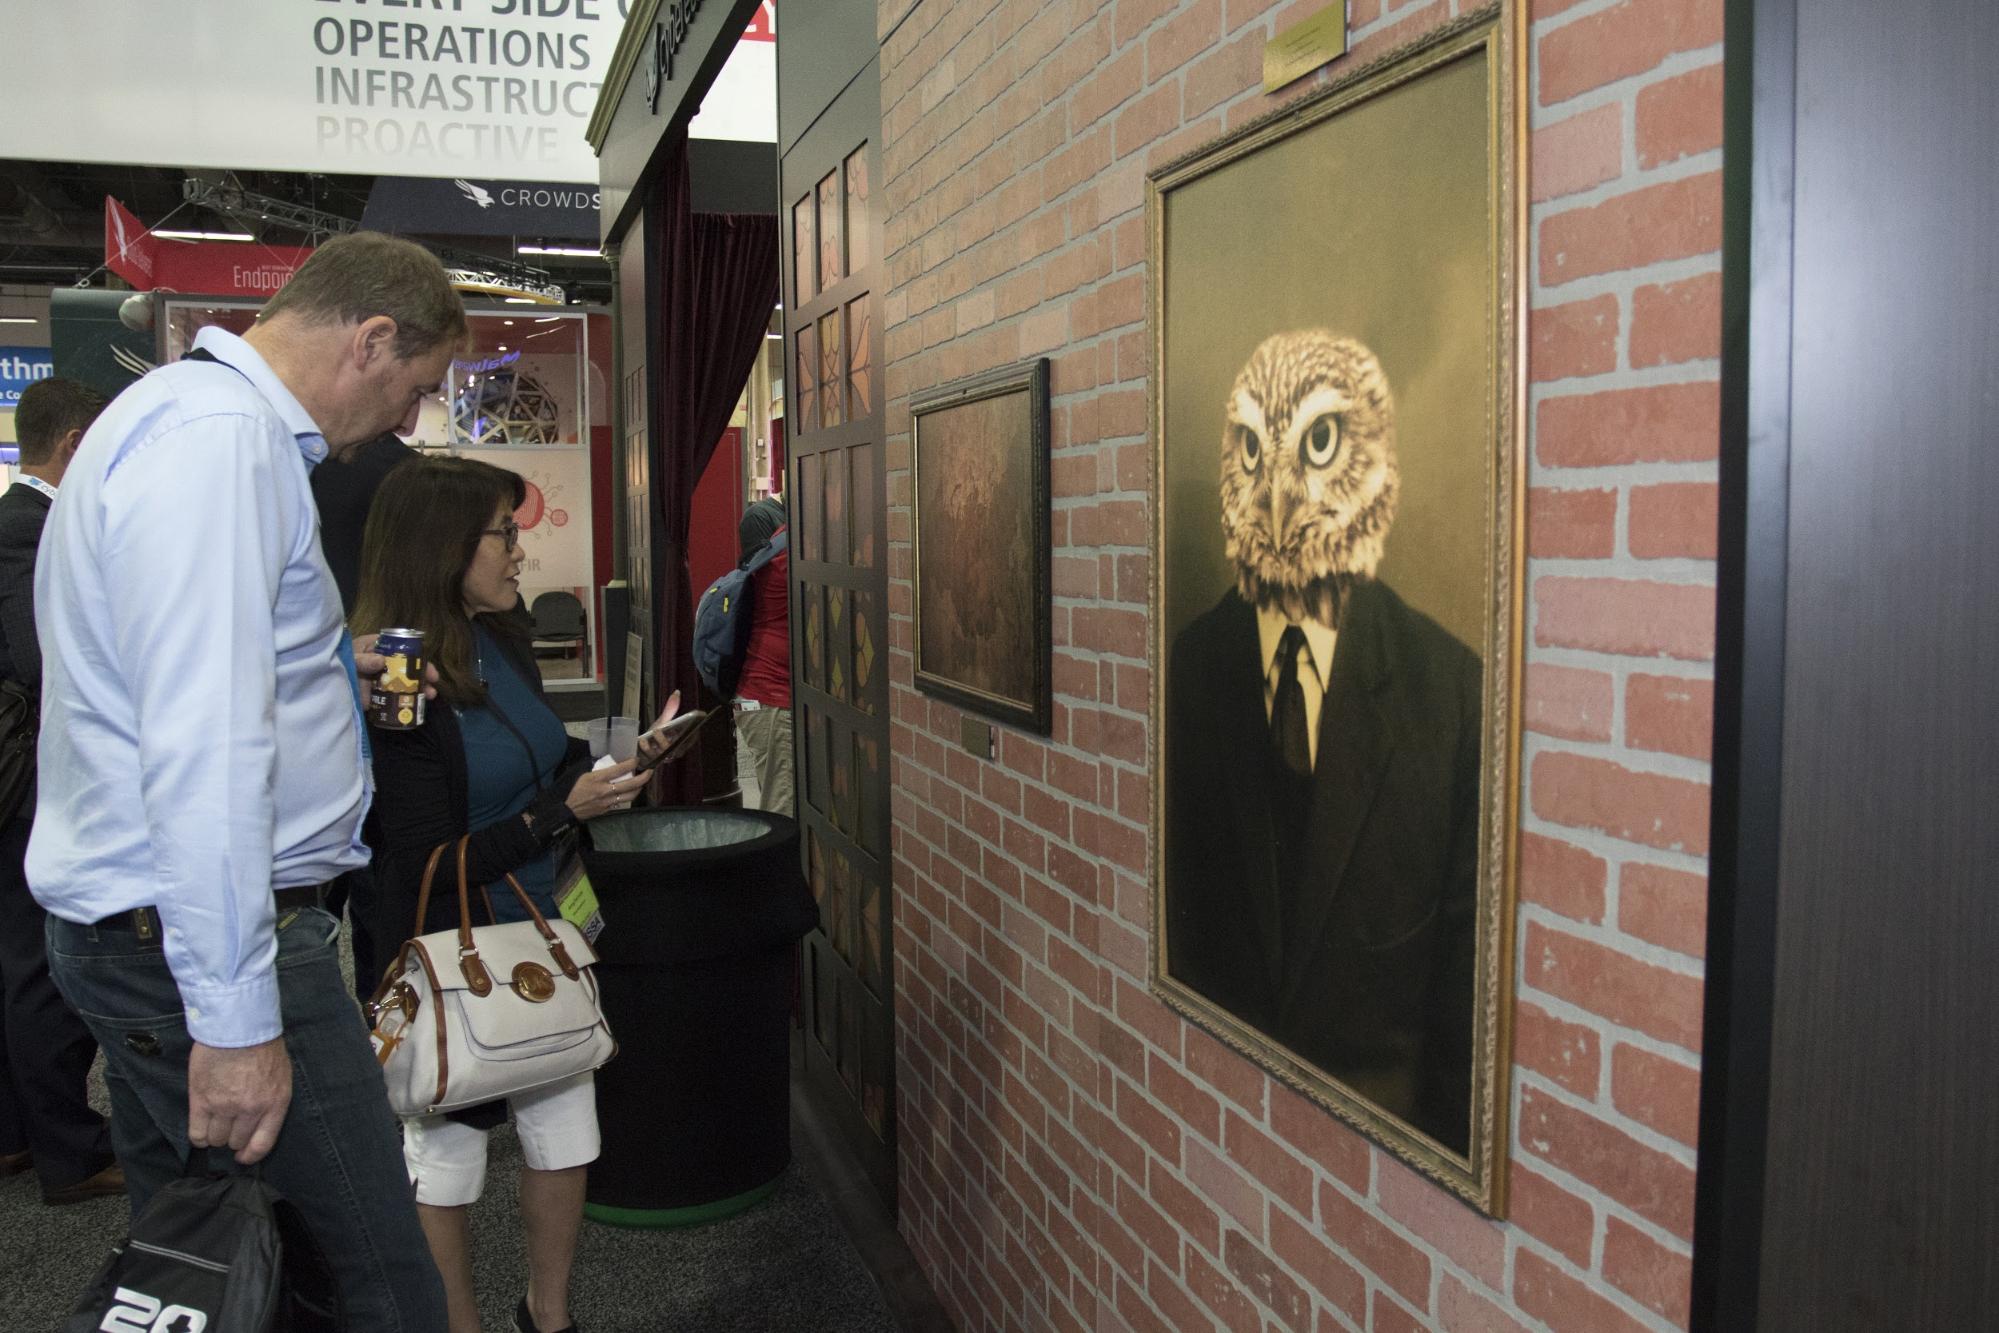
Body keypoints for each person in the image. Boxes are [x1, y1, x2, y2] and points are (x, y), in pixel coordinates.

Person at [30, 231, 464, 1328]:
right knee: (378, 1278)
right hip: (208, 945)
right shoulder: (220, 445)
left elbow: (187, 681)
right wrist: (235, 1024)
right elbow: (203, 746)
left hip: (162, 934)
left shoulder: (191, 424)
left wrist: (321, 671)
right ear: (370, 339)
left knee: (210, 1270)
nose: (411, 422)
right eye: (415, 388)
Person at [356, 455, 658, 1333]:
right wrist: (552, 816)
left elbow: (542, 754)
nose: (518, 552)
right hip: (455, 949)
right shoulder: (400, 677)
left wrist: (617, 761)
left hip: (546, 931)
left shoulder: (502, 634)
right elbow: (415, 864)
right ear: (442, 546)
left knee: (568, 1130)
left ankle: (547, 1316)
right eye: (502, 533)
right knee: (445, 1150)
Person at [1163, 331, 1479, 1153]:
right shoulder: (1191, 669)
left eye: (1317, 443)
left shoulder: (1448, 694)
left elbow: (1460, 1011)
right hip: (1214, 1124)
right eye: (1250, 449)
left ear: (1371, 450)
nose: (1274, 490)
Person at [0, 377, 122, 1206]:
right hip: (34, 785)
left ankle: (19, 1135)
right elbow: (46, 665)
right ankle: (69, 1153)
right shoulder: (32, 533)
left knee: (17, 961)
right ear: (76, 443)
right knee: (41, 967)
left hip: (25, 782)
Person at [312, 427, 419, 1000]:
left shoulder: (299, 465)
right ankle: (382, 1023)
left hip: (320, 690)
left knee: (310, 900)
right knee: (383, 883)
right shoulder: (406, 472)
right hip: (394, 665)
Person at [733, 495, 793, 812]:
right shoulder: (789, 555)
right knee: (783, 808)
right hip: (772, 698)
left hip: (768, 695)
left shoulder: (780, 541)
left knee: (781, 797)